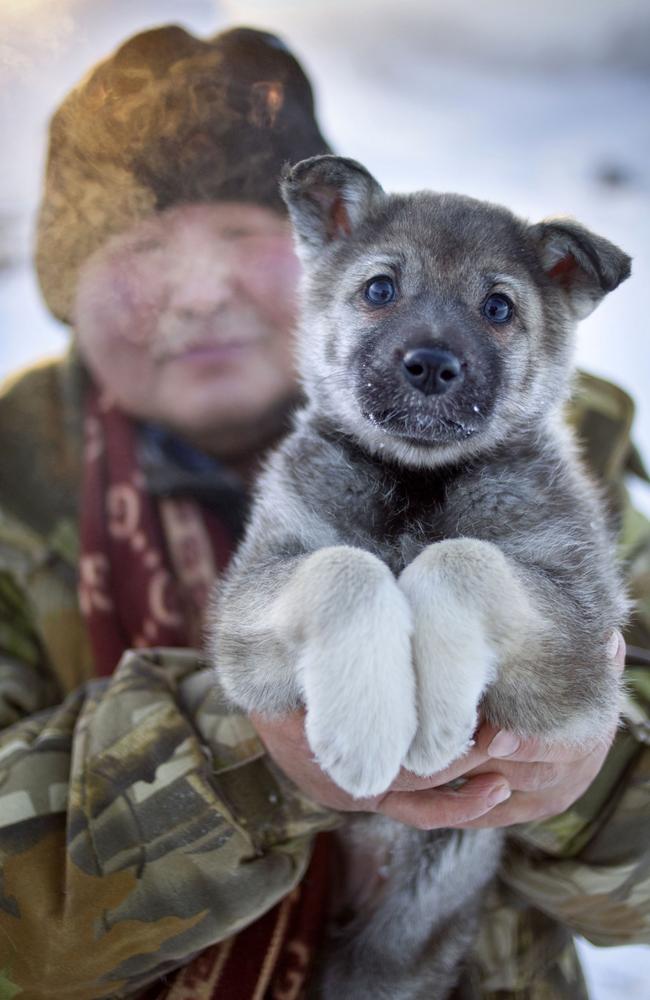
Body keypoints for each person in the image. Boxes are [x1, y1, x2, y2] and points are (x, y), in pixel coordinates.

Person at [0, 23, 648, 1000]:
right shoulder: (12, 487)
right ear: (68, 285)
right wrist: (250, 750)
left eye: (235, 235)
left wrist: (574, 766)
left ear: (311, 246)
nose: (200, 290)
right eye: (139, 243)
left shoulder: (574, 456)